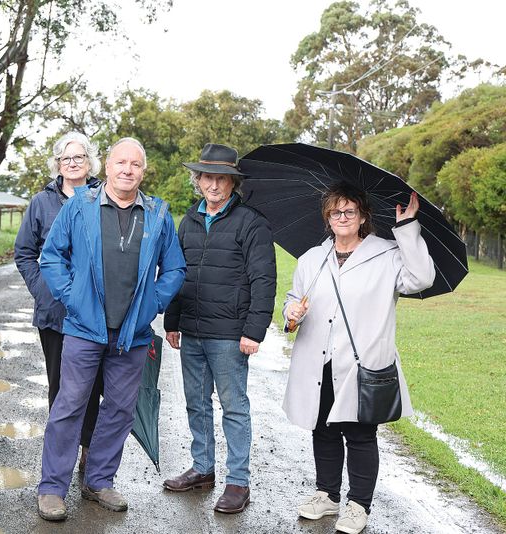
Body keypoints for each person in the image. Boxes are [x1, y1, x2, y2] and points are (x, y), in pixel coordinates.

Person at [36, 137, 186, 521]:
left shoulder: (157, 213)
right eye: (121, 162)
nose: (127, 170)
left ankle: (99, 480)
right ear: (106, 166)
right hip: (85, 329)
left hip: (132, 335)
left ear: (143, 171)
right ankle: (52, 488)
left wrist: (152, 303)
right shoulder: (79, 206)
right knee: (69, 406)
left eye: (135, 164)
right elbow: (51, 257)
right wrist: (73, 298)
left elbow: (175, 269)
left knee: (119, 409)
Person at [283, 184, 435, 534]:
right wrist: (292, 311)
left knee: (360, 435)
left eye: (350, 211)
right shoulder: (313, 258)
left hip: (360, 365)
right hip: (319, 363)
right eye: (335, 212)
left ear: (363, 216)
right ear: (327, 218)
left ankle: (358, 505)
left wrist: (408, 228)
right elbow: (293, 301)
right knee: (322, 429)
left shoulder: (387, 254)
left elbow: (421, 278)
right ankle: (327, 494)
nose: (342, 217)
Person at [162, 143, 276, 514]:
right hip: (191, 329)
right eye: (207, 177)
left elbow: (264, 280)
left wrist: (254, 330)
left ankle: (238, 482)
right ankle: (202, 469)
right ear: (198, 181)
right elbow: (177, 274)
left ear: (232, 183)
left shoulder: (252, 223)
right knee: (196, 403)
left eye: (221, 178)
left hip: (229, 334)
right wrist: (172, 320)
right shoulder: (188, 220)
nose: (213, 184)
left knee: (233, 407)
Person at [14, 131, 103, 469]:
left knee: (92, 383)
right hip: (54, 312)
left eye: (79, 157)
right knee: (61, 386)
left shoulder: (103, 198)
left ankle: (88, 450)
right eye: (66, 158)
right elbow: (24, 253)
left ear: (90, 162)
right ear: (57, 164)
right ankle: (61, 453)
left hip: (94, 311)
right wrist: (42, 290)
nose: (72, 163)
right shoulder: (41, 202)